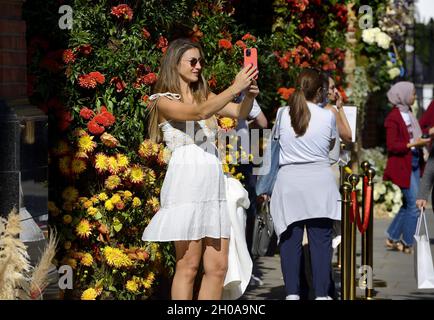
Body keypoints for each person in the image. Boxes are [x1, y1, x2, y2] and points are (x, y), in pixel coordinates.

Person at [141, 38, 259, 300]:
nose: (198, 66)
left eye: (200, 61)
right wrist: (234, 86)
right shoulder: (162, 101)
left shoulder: (204, 94)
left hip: (213, 182)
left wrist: (247, 93)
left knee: (218, 267)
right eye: (192, 61)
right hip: (186, 183)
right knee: (188, 265)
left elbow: (240, 112)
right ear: (175, 63)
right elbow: (197, 113)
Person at [259, 68, 341, 300]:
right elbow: (332, 152)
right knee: (321, 242)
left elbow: (275, 147)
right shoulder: (328, 115)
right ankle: (323, 294)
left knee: (289, 241)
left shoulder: (283, 113)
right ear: (320, 91)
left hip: (289, 183)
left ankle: (293, 293)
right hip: (319, 183)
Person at [383, 82, 430, 254]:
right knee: (415, 205)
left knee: (408, 204)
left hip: (415, 162)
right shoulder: (393, 118)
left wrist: (422, 140)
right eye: (412, 93)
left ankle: (392, 236)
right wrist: (413, 143)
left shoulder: (409, 113)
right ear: (402, 95)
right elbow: (392, 145)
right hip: (403, 166)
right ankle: (407, 241)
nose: (414, 96)